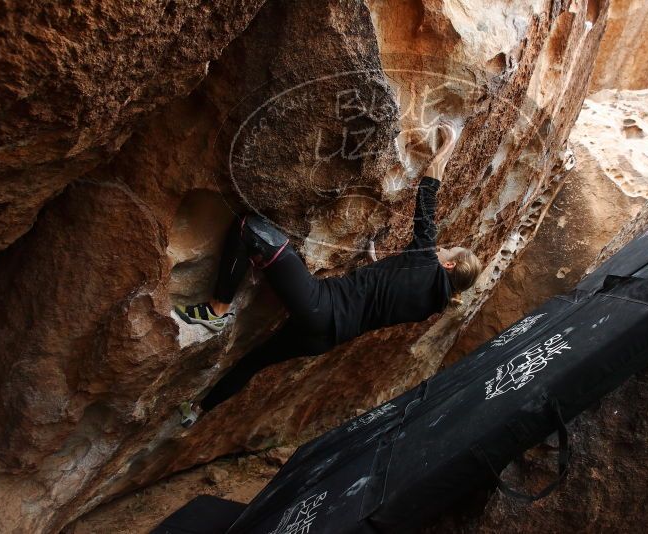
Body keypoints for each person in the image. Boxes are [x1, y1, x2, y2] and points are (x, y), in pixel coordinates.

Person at [174, 121, 482, 427]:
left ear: (449, 265)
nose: (442, 249)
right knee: (254, 361)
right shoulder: (431, 306)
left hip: (320, 306)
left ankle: (217, 310)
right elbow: (385, 296)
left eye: (449, 251)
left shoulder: (426, 261)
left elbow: (428, 195)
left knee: (249, 228)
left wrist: (447, 147)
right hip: (324, 338)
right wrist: (375, 261)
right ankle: (196, 410)